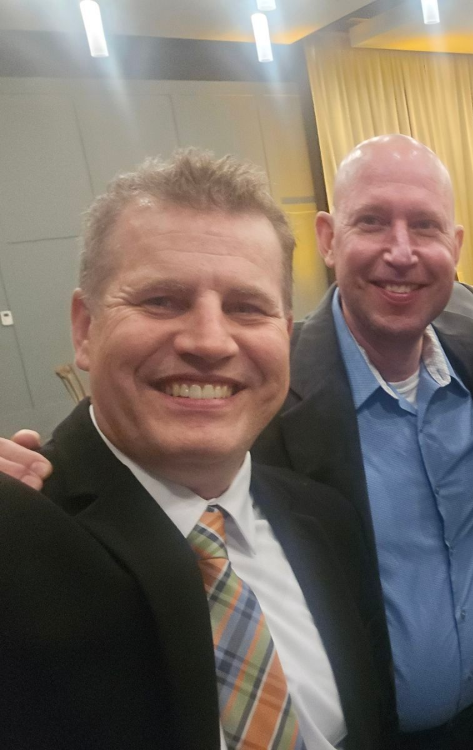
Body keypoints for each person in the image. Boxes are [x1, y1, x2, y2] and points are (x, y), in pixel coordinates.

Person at [0, 150, 396, 749]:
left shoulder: (328, 520)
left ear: (284, 336)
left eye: (246, 308)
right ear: (85, 328)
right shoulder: (18, 540)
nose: (210, 341)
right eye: (162, 300)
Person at [251, 135, 473, 750]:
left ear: (454, 247)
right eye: (372, 221)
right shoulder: (269, 389)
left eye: (425, 226)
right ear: (328, 237)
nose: (400, 253)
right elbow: (149, 433)